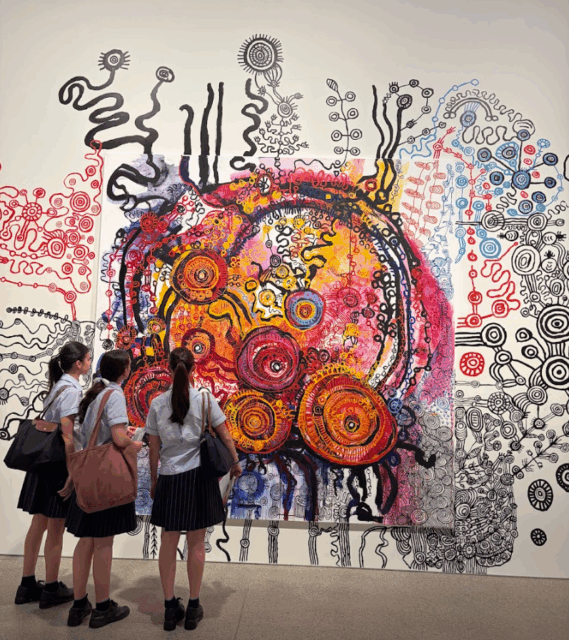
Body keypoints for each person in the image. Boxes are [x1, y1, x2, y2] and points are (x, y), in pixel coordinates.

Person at [145, 346, 242, 632]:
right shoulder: (204, 399)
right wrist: (235, 462)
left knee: (168, 541)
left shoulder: (157, 403)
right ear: (193, 369)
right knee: (197, 543)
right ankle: (193, 607)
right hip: (199, 477)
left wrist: (154, 480)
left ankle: (168, 608)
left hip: (170, 478)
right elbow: (225, 435)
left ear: (168, 367)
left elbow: (153, 449)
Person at [64, 349, 142, 628]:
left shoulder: (96, 393)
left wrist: (120, 434)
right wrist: (134, 443)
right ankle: (103, 607)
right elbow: (119, 438)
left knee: (85, 541)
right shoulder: (115, 394)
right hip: (106, 479)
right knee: (103, 543)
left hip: (87, 477)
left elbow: (93, 433)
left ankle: (78, 605)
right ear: (124, 370)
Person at [15, 340, 91, 609]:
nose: (90, 363)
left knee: (38, 523)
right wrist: (72, 471)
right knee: (55, 528)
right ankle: (50, 588)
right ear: (78, 364)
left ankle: (26, 584)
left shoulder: (58, 386)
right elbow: (67, 436)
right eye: (88, 359)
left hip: (43, 463)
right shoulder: (72, 390)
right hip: (57, 465)